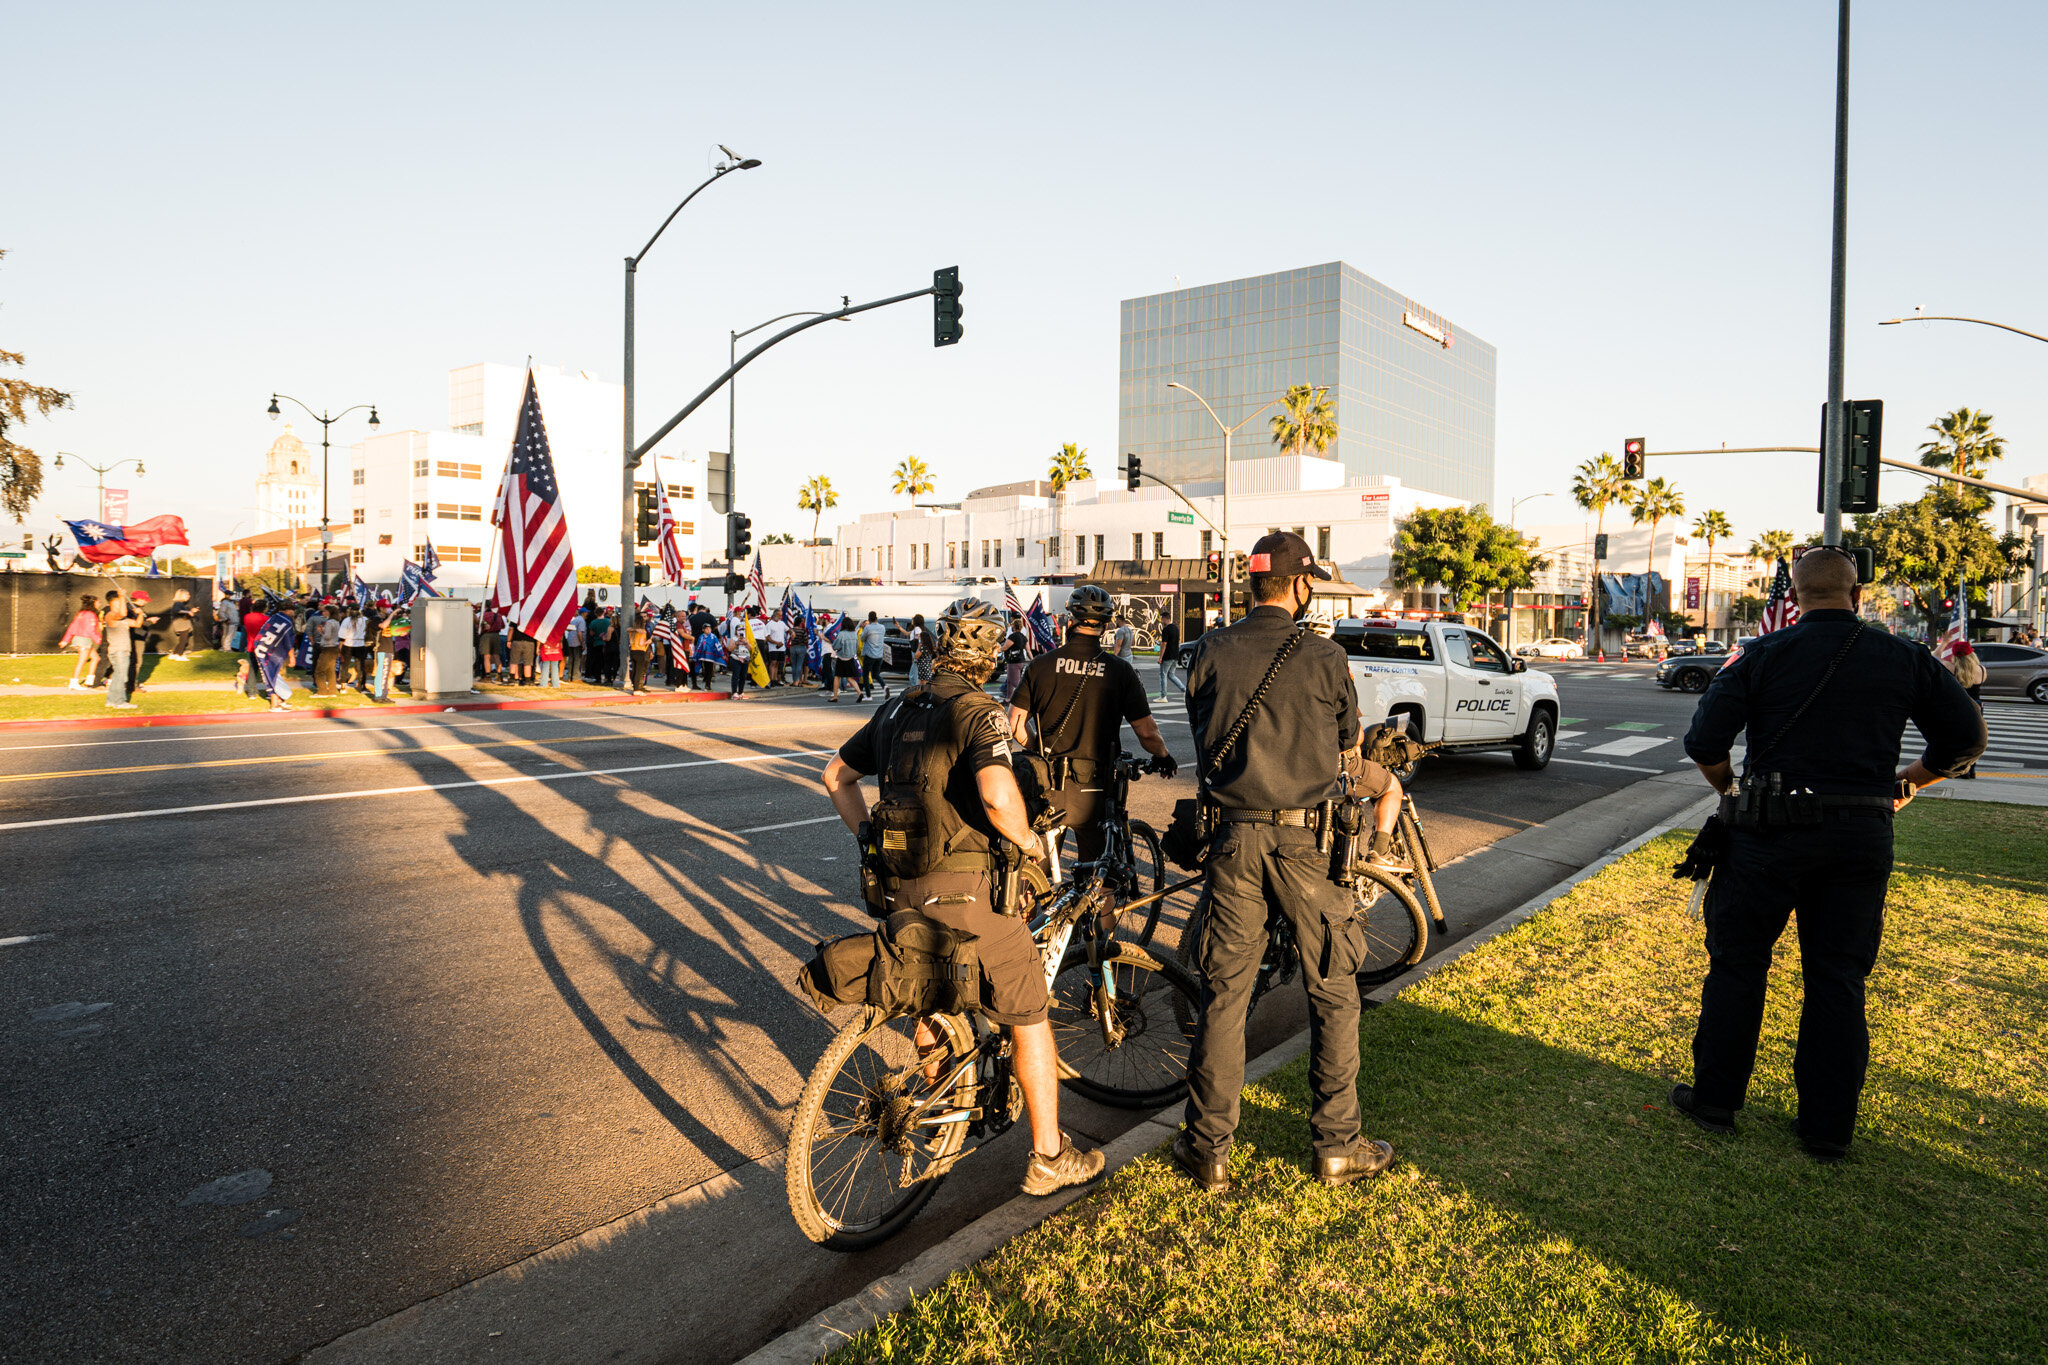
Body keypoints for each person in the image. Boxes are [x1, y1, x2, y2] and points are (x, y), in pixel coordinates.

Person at [1673, 548, 1986, 1163]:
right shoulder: (1903, 657)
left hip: (1765, 833)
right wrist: (1906, 783)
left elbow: (1704, 743)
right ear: (1857, 593)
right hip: (1859, 834)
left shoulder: (1760, 655)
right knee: (1838, 978)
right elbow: (1966, 738)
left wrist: (1729, 789)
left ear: (1794, 593)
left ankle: (1714, 1100)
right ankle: (1827, 1128)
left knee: (1738, 966)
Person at [821, 597, 1106, 1198]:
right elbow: (999, 796)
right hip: (969, 895)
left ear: (938, 648)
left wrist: (869, 837)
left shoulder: (897, 707)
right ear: (991, 654)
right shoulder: (979, 712)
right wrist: (1029, 841)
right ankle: (1050, 1156)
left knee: (930, 992)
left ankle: (938, 1108)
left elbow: (836, 777)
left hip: (898, 889)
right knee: (1029, 1017)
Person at [1175, 531, 1400, 1194]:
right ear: (1302, 585)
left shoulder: (1209, 650)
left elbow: (1203, 730)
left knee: (1225, 997)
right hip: (1308, 846)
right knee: (1332, 993)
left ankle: (1208, 1149)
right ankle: (1336, 1146)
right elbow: (1347, 745)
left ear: (1251, 585)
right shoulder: (1325, 656)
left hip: (1234, 842)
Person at [1006, 584, 1175, 866]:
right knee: (1101, 880)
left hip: (1047, 783)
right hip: (1096, 790)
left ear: (1070, 619)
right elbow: (1147, 732)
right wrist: (1164, 757)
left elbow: (1015, 723)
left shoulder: (1041, 665)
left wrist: (1039, 747)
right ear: (1106, 625)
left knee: (1035, 875)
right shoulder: (1121, 671)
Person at [1946, 642, 1987, 780]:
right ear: (1972, 654)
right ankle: (1972, 770)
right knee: (1974, 740)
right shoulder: (1981, 670)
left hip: (1959, 706)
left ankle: (1961, 770)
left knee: (1958, 740)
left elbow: (1935, 658)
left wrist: (1945, 642)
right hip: (1977, 705)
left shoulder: (1951, 668)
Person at [100, 589, 142, 710]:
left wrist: (140, 613)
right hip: (118, 651)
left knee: (118, 676)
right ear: (113, 604)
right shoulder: (111, 615)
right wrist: (122, 596)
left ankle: (111, 701)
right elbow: (122, 613)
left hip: (122, 651)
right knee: (121, 676)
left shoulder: (122, 620)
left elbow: (137, 624)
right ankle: (119, 702)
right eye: (118, 603)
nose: (121, 605)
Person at [60, 594, 102, 691]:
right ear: (93, 603)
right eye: (98, 602)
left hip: (79, 639)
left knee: (96, 658)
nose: (99, 603)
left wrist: (65, 640)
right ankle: (74, 682)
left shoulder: (81, 613)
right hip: (84, 639)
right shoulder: (90, 615)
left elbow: (72, 627)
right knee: (81, 661)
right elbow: (90, 630)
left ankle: (89, 680)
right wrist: (98, 640)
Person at [860, 611, 891, 701]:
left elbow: (862, 638)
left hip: (869, 654)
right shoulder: (882, 627)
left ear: (869, 619)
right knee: (876, 674)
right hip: (879, 655)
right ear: (876, 618)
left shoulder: (868, 628)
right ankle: (884, 686)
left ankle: (868, 696)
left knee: (865, 675)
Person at [313, 607, 343, 696]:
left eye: (325, 611)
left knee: (319, 671)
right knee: (330, 670)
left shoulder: (330, 622)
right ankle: (332, 691)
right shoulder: (337, 622)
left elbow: (327, 636)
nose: (323, 612)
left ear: (330, 612)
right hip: (334, 647)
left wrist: (321, 631)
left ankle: (322, 691)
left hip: (327, 648)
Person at [1000, 613, 1030, 703]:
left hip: (1014, 662)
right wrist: (1033, 660)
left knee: (1015, 682)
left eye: (1012, 625)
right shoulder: (1023, 637)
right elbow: (1028, 650)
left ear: (1014, 626)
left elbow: (1005, 647)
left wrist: (996, 650)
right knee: (1009, 681)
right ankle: (1008, 698)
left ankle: (1023, 699)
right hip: (1020, 660)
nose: (1011, 626)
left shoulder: (1013, 636)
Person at [163, 588, 197, 661]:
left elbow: (184, 615)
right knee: (183, 641)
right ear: (182, 595)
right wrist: (188, 612)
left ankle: (174, 654)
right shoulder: (178, 603)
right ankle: (180, 655)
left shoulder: (180, 604)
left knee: (182, 640)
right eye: (187, 595)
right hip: (181, 624)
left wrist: (191, 612)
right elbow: (177, 611)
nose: (189, 596)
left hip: (182, 623)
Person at [830, 620, 861, 701]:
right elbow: (857, 645)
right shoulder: (854, 633)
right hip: (850, 657)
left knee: (837, 676)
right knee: (849, 677)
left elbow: (835, 646)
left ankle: (835, 696)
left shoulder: (841, 634)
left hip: (841, 658)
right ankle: (860, 693)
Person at [692, 625, 726, 691]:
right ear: (703, 630)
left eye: (709, 628)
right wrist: (696, 655)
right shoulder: (701, 637)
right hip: (703, 656)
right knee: (705, 670)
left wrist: (722, 654)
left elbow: (718, 646)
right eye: (706, 628)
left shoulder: (713, 637)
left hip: (710, 657)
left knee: (710, 671)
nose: (708, 630)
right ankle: (706, 684)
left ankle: (708, 685)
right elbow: (698, 647)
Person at [1157, 614, 1182, 700]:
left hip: (1167, 656)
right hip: (1175, 655)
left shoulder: (1166, 629)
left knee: (1163, 675)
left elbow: (1164, 644)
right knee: (1171, 675)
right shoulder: (1176, 628)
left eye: (1161, 619)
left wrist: (1160, 657)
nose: (1161, 621)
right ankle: (1184, 690)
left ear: (1165, 619)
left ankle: (1163, 696)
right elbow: (1177, 642)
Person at [726, 621, 753, 698]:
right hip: (736, 659)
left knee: (743, 676)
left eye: (742, 629)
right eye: (739, 629)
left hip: (745, 659)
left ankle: (741, 692)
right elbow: (730, 649)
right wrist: (736, 643)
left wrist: (746, 643)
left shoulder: (746, 639)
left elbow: (751, 649)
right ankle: (734, 692)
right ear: (736, 631)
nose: (741, 631)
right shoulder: (733, 639)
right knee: (736, 676)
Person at [627, 613, 651, 692]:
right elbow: (642, 644)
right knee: (639, 671)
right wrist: (648, 642)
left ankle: (635, 686)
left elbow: (628, 629)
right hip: (640, 652)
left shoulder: (632, 631)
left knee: (634, 670)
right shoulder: (643, 631)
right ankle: (637, 689)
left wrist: (635, 629)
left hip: (633, 651)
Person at [764, 612, 789, 687]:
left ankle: (775, 679)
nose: (781, 617)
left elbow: (788, 629)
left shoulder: (782, 623)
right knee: (773, 663)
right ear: (775, 615)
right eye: (779, 615)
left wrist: (792, 632)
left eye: (781, 615)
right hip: (773, 648)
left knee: (778, 663)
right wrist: (776, 642)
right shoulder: (769, 624)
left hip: (781, 648)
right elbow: (767, 637)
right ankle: (771, 679)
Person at [909, 613, 933, 686]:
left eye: (913, 619)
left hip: (916, 651)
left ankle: (915, 688)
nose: (912, 620)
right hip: (923, 662)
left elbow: (920, 639)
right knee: (917, 675)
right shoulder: (921, 629)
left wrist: (918, 649)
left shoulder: (917, 629)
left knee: (914, 673)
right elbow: (908, 633)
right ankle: (917, 688)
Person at [562, 611, 585, 685]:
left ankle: (569, 676)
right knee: (577, 659)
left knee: (571, 659)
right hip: (577, 642)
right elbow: (580, 632)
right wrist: (582, 643)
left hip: (570, 641)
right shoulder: (581, 620)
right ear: (583, 613)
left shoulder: (574, 620)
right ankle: (576, 677)